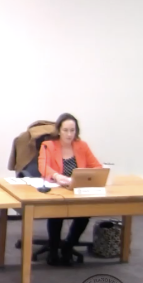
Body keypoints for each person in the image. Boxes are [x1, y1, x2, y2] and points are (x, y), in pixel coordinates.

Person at [38, 113, 102, 266]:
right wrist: (56, 176)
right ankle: (53, 250)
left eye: (72, 130)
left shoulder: (82, 146)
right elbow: (42, 166)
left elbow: (97, 167)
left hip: (77, 189)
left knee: (85, 213)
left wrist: (87, 176)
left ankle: (68, 245)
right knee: (56, 213)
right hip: (58, 189)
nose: (69, 134)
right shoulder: (48, 145)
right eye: (65, 130)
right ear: (59, 130)